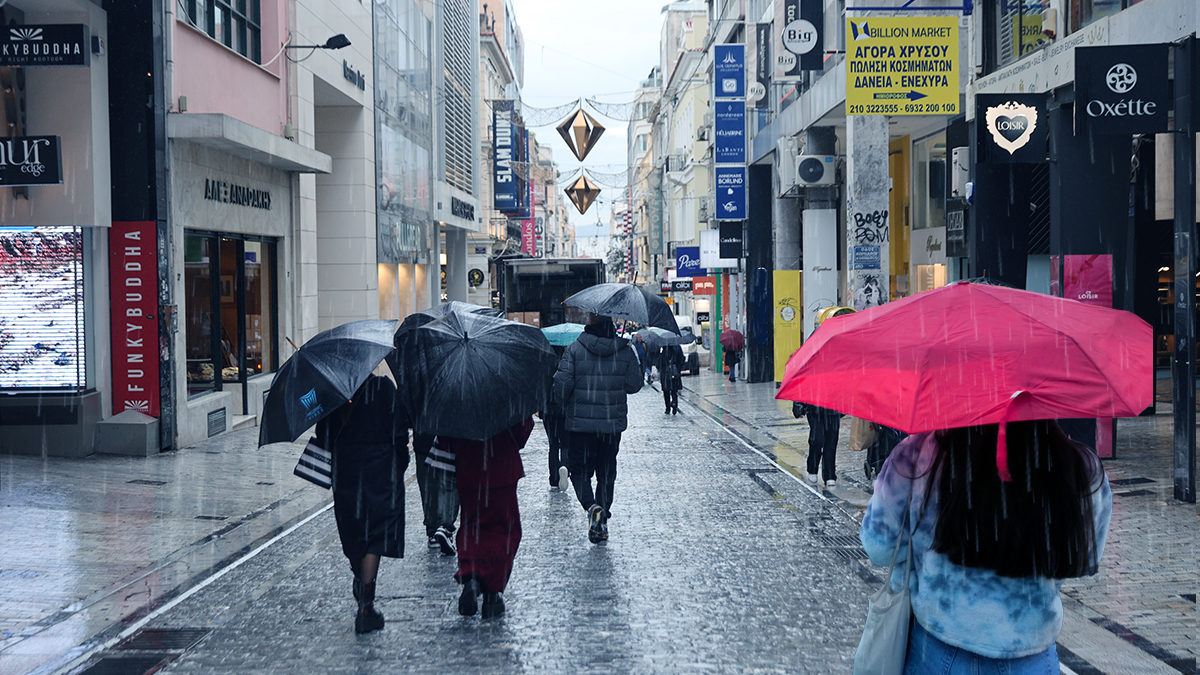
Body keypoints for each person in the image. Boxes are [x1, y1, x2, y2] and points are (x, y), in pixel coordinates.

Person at [860, 421, 1112, 672]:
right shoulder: (1078, 464)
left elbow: (879, 546)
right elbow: (1086, 556)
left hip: (937, 650)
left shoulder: (917, 453)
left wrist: (927, 555)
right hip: (1029, 652)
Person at [316, 374, 408, 634]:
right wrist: (398, 464)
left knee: (355, 530)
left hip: (347, 471)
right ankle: (366, 605)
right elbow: (399, 431)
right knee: (375, 533)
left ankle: (361, 580)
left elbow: (324, 436)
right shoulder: (383, 387)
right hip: (381, 468)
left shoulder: (332, 394)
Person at [552, 313, 643, 544]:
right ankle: (601, 518)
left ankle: (592, 507)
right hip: (611, 427)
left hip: (580, 426)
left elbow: (561, 387)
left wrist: (566, 406)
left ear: (590, 323)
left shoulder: (574, 349)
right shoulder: (624, 350)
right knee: (606, 472)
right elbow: (634, 385)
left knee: (579, 471)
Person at [436, 417, 535, 619]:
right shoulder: (506, 390)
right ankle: (492, 593)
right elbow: (523, 427)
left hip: (469, 469)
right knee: (505, 529)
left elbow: (446, 435)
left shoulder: (458, 394)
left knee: (472, 525)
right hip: (502, 466)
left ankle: (472, 573)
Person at [410, 430, 459, 556]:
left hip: (426, 429)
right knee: (449, 479)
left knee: (428, 480)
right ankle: (444, 526)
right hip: (449, 433)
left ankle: (434, 529)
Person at [543, 345, 571, 491]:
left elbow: (540, 390)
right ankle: (565, 466)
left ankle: (554, 477)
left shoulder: (545, 367)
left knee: (553, 445)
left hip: (549, 411)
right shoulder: (568, 366)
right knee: (566, 444)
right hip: (564, 411)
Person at [659, 343, 684, 415]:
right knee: (674, 391)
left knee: (666, 392)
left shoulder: (662, 354)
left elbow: (659, 365)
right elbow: (681, 361)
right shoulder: (675, 353)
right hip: (674, 374)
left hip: (665, 376)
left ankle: (667, 408)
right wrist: (677, 369)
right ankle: (675, 405)